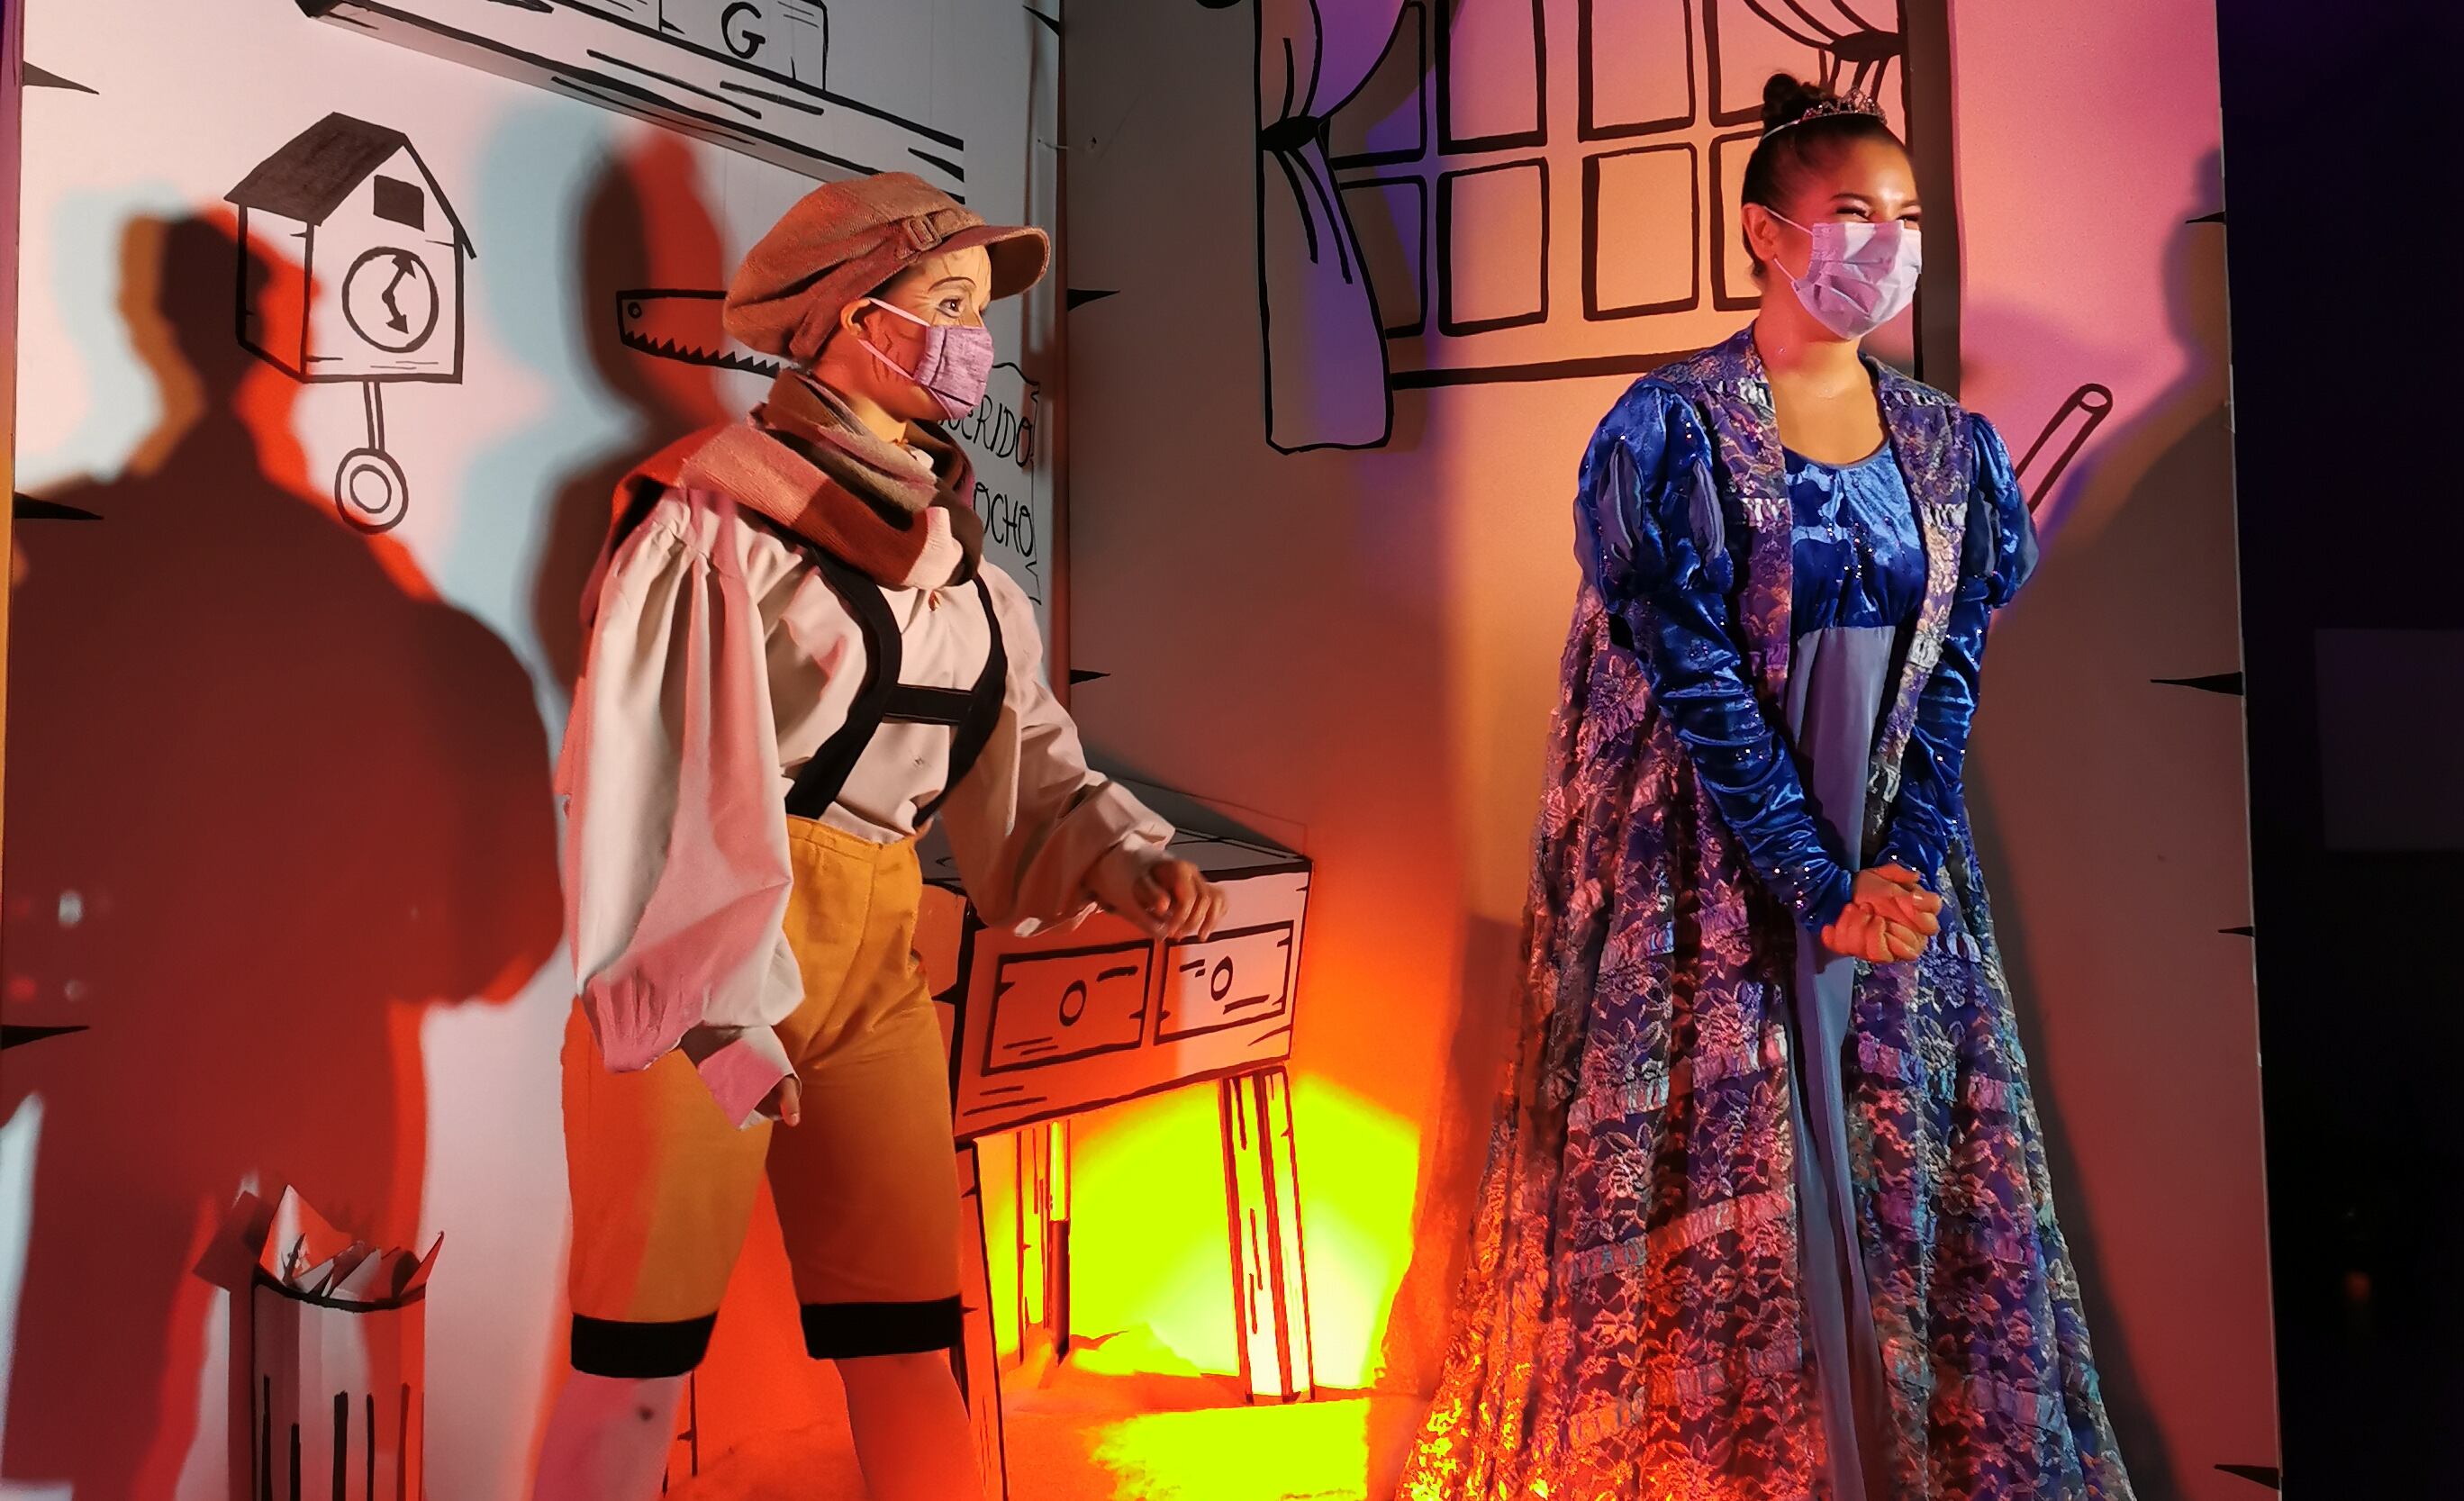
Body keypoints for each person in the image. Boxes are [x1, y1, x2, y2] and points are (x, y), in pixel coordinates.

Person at [1396, 77, 2135, 1501]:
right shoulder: (1672, 426)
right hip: (1712, 860)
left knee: (1893, 1157)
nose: (1886, 245)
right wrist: (1814, 877)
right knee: (1735, 1166)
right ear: (1764, 230)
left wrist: (1898, 867)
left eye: (1905, 217)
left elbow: (1951, 669)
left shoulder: (1950, 446)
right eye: (1855, 212)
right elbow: (1691, 675)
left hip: (1891, 859)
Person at [533, 172, 1227, 1501]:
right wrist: (716, 1023)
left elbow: (1027, 757)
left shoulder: (962, 566)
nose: (975, 340)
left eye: (977, 311)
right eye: (947, 304)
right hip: (698, 964)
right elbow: (643, 790)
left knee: (909, 1337)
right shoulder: (711, 521)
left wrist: (1120, 855)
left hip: (877, 961)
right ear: (853, 318)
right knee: (637, 1368)